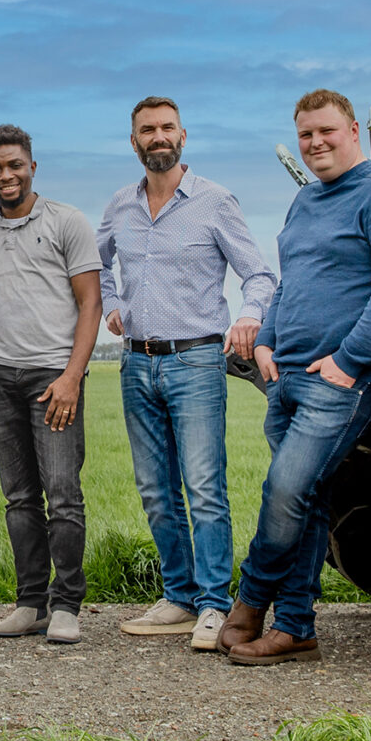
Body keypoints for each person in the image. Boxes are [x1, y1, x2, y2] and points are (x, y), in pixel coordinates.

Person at [222, 90, 371, 666]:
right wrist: (264, 340)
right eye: (306, 135)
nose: (315, 143)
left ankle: (252, 597)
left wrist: (346, 362)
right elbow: (291, 283)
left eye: (326, 132)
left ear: (353, 132)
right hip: (284, 377)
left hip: (337, 382)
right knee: (307, 501)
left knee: (285, 491)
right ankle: (296, 628)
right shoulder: (307, 202)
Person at [96, 96, 276, 653]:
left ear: (182, 136)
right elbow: (96, 265)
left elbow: (260, 273)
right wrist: (108, 302)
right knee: (155, 490)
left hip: (196, 360)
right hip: (136, 360)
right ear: (134, 142)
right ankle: (177, 596)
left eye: (166, 127)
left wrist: (248, 318)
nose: (158, 137)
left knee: (203, 488)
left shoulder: (216, 202)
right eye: (147, 130)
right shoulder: (120, 207)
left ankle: (214, 604)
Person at [0, 124, 101, 645]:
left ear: (32, 166)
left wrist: (71, 377)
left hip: (51, 377)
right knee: (19, 498)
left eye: (14, 165)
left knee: (63, 495)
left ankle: (67, 606)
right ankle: (29, 603)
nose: (6, 175)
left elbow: (91, 303)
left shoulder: (67, 221)